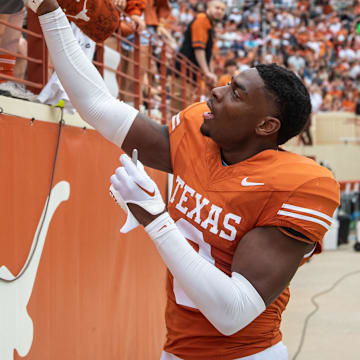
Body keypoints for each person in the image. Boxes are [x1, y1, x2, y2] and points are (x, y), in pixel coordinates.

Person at [28, 0, 340, 359]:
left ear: (266, 126)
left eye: (237, 93)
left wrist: (157, 221)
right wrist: (49, 13)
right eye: (228, 84)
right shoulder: (198, 135)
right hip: (177, 349)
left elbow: (232, 312)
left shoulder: (299, 186)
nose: (217, 92)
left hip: (246, 354)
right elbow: (98, 105)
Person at [172, 0, 226, 111]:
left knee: (185, 103)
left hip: (192, 72)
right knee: (179, 104)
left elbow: (208, 54)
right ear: (208, 7)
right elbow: (199, 49)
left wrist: (210, 73)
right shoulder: (202, 19)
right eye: (217, 8)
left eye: (222, 9)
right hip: (184, 69)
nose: (219, 11)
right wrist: (207, 72)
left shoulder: (210, 25)